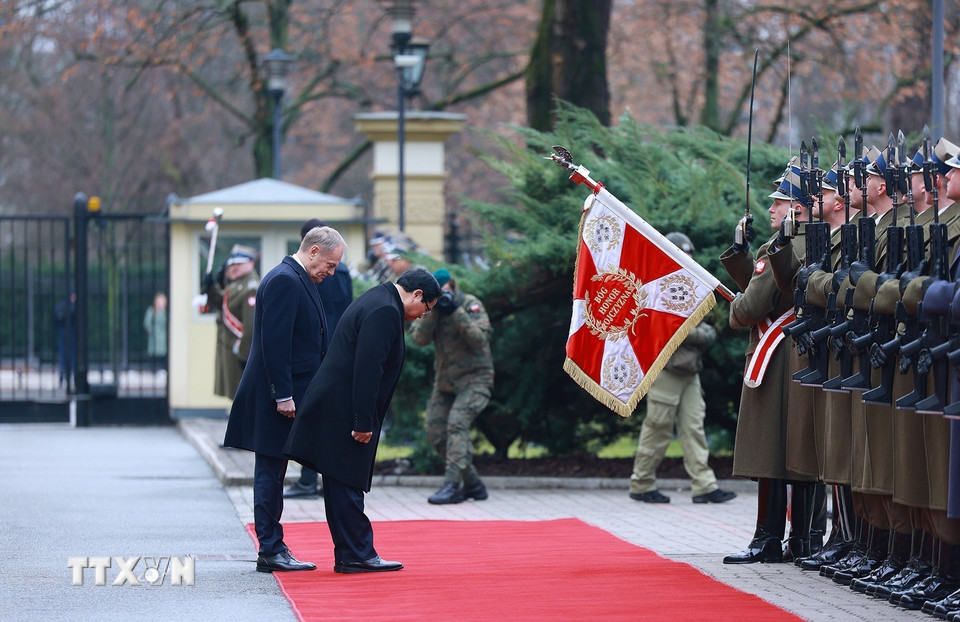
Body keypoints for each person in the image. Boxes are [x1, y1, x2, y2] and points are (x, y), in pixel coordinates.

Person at [284, 268, 441, 573]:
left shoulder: (380, 299)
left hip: (337, 404)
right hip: (344, 409)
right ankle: (356, 553)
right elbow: (368, 369)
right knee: (347, 480)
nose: (423, 315)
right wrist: (362, 421)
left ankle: (351, 552)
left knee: (341, 480)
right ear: (417, 294)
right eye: (426, 308)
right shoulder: (384, 310)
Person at [223, 226, 346, 573]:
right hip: (277, 398)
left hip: (286, 396)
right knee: (269, 472)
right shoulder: (285, 280)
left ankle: (273, 547)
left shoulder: (295, 277)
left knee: (274, 473)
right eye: (331, 264)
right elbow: (274, 343)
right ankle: (271, 549)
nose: (331, 272)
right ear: (313, 252)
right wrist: (284, 395)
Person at [628, 233, 736, 505]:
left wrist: (699, 331)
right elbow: (671, 326)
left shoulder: (685, 282)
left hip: (688, 368)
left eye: (689, 255)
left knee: (694, 426)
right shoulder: (656, 283)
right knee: (659, 426)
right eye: (682, 254)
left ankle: (705, 486)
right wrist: (703, 333)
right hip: (665, 367)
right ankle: (641, 484)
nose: (688, 260)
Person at [409, 268, 495, 504]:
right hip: (445, 382)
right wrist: (435, 312)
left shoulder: (470, 304)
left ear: (453, 286)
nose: (441, 296)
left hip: (475, 379)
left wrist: (455, 312)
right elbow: (418, 339)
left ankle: (452, 486)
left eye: (443, 292)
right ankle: (474, 485)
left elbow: (479, 339)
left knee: (457, 425)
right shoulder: (431, 308)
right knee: (436, 434)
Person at [284, 218, 355, 500]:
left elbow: (327, 312)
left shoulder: (320, 273)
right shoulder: (341, 272)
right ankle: (317, 477)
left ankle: (309, 478)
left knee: (313, 414)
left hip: (322, 351)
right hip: (333, 348)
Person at [204, 244, 260, 399]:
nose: (234, 267)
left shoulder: (251, 288)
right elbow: (222, 303)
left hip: (240, 353)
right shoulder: (237, 284)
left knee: (242, 398)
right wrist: (212, 287)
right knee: (236, 397)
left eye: (239, 263)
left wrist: (245, 357)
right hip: (231, 349)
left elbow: (250, 329)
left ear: (250, 263)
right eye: (232, 264)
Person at [54, 291, 76, 389]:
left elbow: (54, 321)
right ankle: (74, 380)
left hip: (61, 334)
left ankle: (61, 379)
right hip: (71, 334)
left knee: (62, 359)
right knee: (72, 358)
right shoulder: (72, 307)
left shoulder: (58, 307)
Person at [143, 292, 168, 365]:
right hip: (153, 345)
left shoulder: (166, 313)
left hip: (164, 346)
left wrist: (161, 311)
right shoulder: (151, 311)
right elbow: (147, 324)